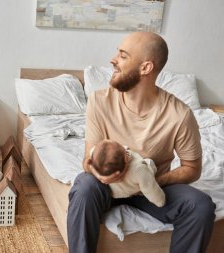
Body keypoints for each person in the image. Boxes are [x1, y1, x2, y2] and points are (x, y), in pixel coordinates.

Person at [67, 32, 216, 253]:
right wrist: (102, 174)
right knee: (84, 186)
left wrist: (151, 181)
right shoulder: (99, 101)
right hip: (108, 186)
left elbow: (192, 169)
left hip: (152, 188)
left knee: (201, 205)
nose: (113, 60)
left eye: (123, 56)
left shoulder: (179, 114)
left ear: (145, 68)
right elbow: (89, 159)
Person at [88, 139, 165, 207]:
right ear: (125, 158)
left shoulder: (95, 157)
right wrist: (160, 201)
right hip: (134, 190)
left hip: (114, 192)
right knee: (150, 165)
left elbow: (93, 153)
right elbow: (154, 194)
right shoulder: (139, 169)